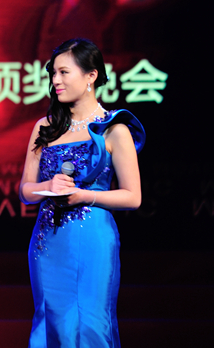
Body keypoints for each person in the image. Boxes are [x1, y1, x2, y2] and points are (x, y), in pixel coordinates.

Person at [19, 38, 145, 347]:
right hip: (48, 241)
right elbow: (25, 191)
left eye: (64, 72)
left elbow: (133, 196)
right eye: (53, 73)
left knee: (90, 324)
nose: (55, 80)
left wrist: (85, 196)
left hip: (93, 242)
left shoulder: (114, 129)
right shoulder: (45, 127)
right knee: (52, 322)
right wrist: (47, 187)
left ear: (91, 75)